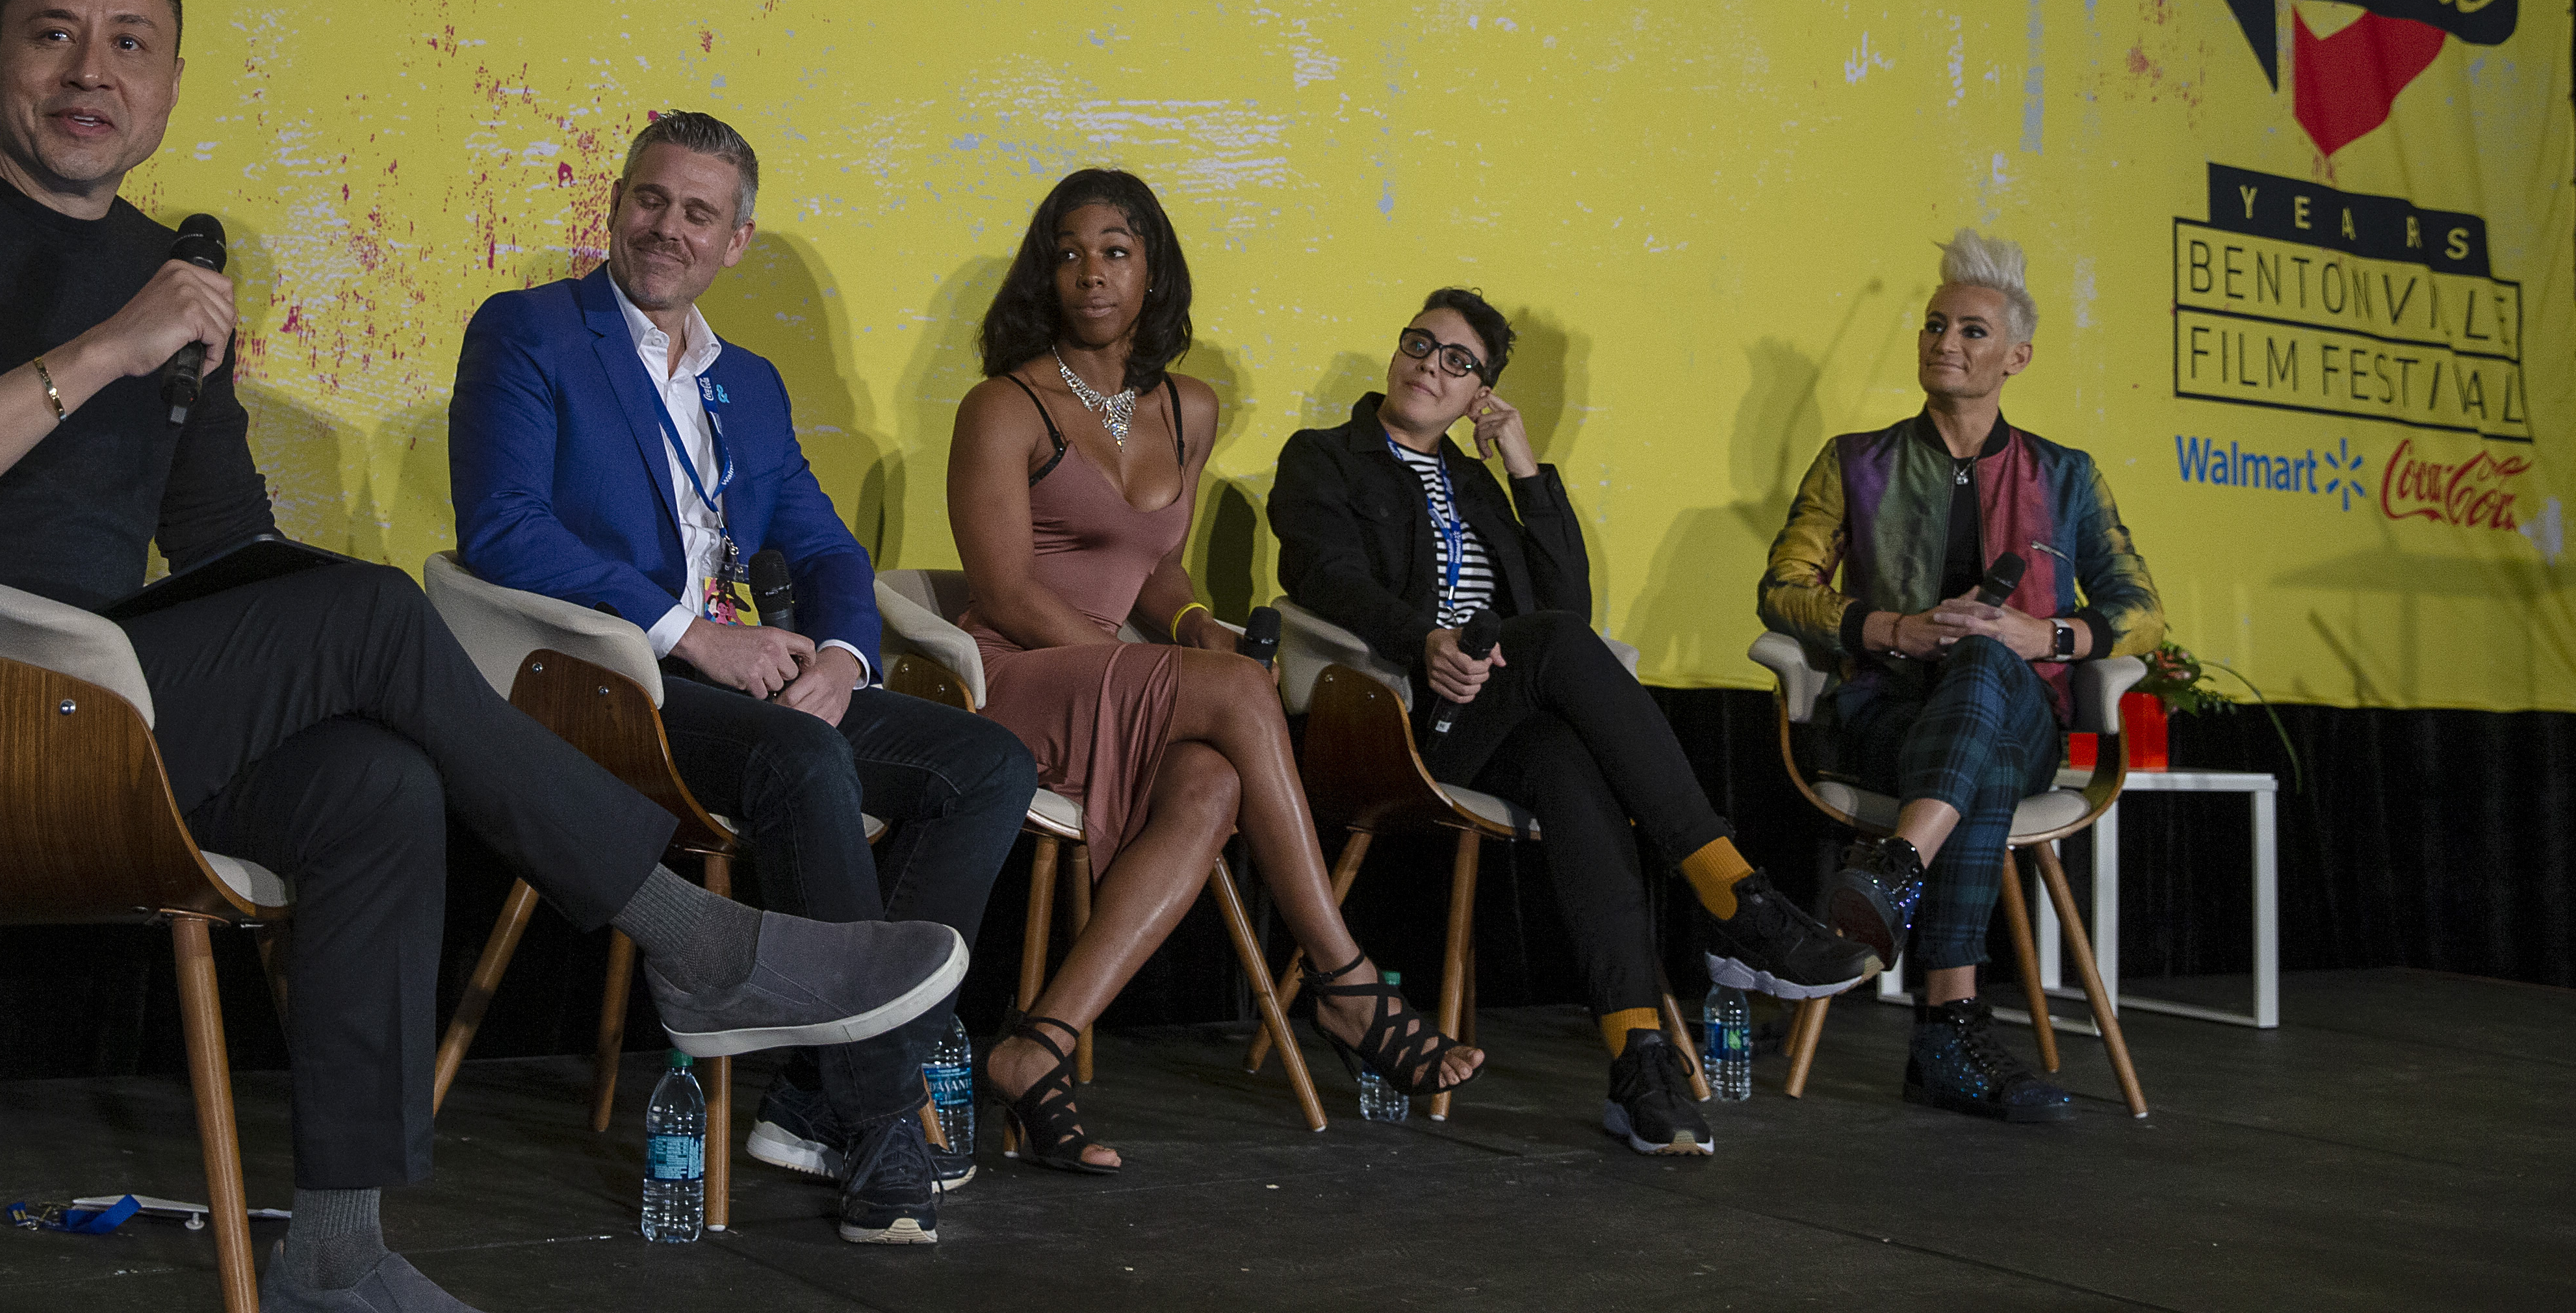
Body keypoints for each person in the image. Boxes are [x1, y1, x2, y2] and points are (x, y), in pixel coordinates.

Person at [0, 0, 966, 1313]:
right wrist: (103, 349)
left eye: (130, 44)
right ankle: (693, 941)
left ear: (165, 90)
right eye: (52, 34)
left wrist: (352, 645)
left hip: (106, 714)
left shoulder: (167, 272)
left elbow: (222, 547)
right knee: (371, 617)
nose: (90, 70)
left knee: (377, 781)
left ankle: (337, 1248)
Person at [448, 111, 1036, 1247]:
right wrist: (689, 634)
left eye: (698, 214)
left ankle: (818, 1091)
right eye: (650, 200)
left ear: (737, 243)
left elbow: (819, 549)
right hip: (607, 681)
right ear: (616, 205)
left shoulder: (749, 385)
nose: (667, 228)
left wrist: (842, 653)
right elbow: (504, 528)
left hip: (752, 684)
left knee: (986, 762)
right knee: (805, 759)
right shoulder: (530, 334)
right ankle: (876, 1123)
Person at [944, 170, 1482, 1173]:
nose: (1090, 274)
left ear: (1153, 271)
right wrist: (1153, 671)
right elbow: (1007, 588)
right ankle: (1348, 983)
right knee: (1234, 697)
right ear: (1043, 275)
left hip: (1120, 670)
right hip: (1020, 678)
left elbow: (1149, 563)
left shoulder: (1190, 408)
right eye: (1067, 253)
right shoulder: (1003, 407)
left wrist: (1193, 625)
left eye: (1115, 251)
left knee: (1214, 778)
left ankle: (1035, 1047)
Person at [1270, 291, 1874, 1158]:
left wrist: (1522, 466)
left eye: (1456, 361)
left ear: (1479, 391)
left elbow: (1567, 610)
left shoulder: (1477, 484)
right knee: (1557, 657)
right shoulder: (1325, 459)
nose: (1427, 366)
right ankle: (1738, 899)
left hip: (1495, 720)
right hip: (1396, 718)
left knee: (1567, 762)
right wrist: (1426, 640)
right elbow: (1323, 573)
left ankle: (1640, 1064)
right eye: (1419, 344)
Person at [1759, 229, 2168, 1123]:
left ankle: (1900, 864)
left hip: (2023, 717)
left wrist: (2044, 635)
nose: (1948, 340)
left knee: (1987, 656)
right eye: (1936, 325)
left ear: (2017, 356)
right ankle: (1948, 1026)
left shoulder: (2066, 476)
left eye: (1973, 330)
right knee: (1970, 749)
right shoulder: (1853, 461)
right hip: (1885, 713)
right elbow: (1782, 592)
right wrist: (1891, 626)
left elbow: (2141, 608)